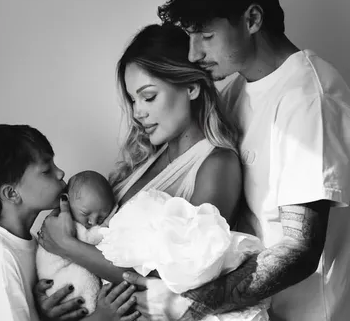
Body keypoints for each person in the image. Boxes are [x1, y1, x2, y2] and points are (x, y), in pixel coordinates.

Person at [121, 0, 350, 321]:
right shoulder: (235, 90)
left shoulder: (310, 98)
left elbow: (300, 250)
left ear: (252, 19)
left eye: (205, 36)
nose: (193, 54)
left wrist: (188, 304)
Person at [36, 23, 244, 320]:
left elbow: (179, 280)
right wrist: (60, 293)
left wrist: (67, 246)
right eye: (133, 99)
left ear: (191, 87)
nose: (137, 112)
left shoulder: (216, 165)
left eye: (148, 97)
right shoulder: (146, 157)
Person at [0, 124, 139, 321]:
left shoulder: (31, 245)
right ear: (12, 193)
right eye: (46, 170)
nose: (60, 173)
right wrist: (101, 317)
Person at [36, 170, 117, 315]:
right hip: (61, 282)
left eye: (101, 218)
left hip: (59, 283)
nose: (93, 222)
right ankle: (90, 306)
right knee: (85, 276)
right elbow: (91, 237)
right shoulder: (67, 225)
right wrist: (105, 226)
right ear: (67, 202)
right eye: (86, 214)